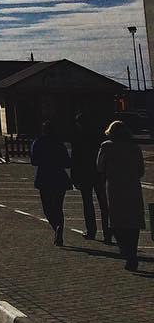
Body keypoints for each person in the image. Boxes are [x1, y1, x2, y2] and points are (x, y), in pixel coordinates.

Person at [96, 120, 146, 272]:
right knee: (133, 221)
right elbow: (141, 170)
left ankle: (126, 252)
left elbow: (99, 167)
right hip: (132, 187)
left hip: (114, 187)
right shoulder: (134, 148)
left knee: (117, 221)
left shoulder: (106, 147)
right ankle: (132, 252)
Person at [70, 112, 111, 243]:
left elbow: (75, 159)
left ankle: (91, 231)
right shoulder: (98, 136)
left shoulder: (78, 138)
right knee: (104, 204)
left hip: (84, 174)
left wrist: (74, 176)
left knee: (88, 203)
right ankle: (107, 233)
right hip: (98, 173)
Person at [30, 119, 71, 246]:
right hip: (59, 177)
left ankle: (56, 227)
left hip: (45, 177)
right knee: (58, 207)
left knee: (47, 208)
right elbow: (67, 162)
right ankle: (59, 228)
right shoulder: (59, 143)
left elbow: (34, 160)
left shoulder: (39, 142)